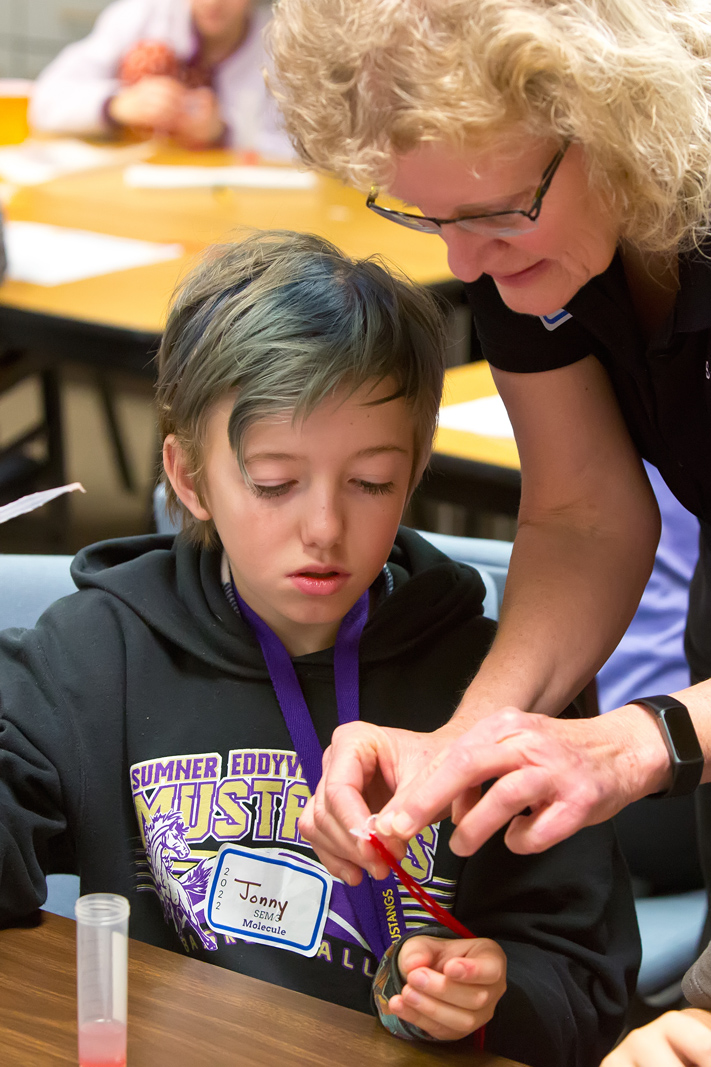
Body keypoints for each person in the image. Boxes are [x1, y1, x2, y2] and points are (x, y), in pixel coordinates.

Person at [0, 230, 638, 1066]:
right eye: (273, 483)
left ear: (413, 474)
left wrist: (489, 998)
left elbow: (586, 989)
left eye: (371, 481)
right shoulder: (92, 655)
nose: (324, 528)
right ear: (188, 478)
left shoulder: (504, 683)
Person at [265, 0, 711, 893]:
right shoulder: (534, 246)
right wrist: (466, 743)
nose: (466, 265)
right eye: (432, 221)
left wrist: (635, 740)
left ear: (621, 120)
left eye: (498, 215)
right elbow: (582, 514)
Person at [29, 0, 290, 155]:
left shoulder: (281, 41)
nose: (213, 3)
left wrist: (223, 132)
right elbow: (45, 101)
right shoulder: (145, 14)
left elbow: (308, 153)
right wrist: (117, 104)